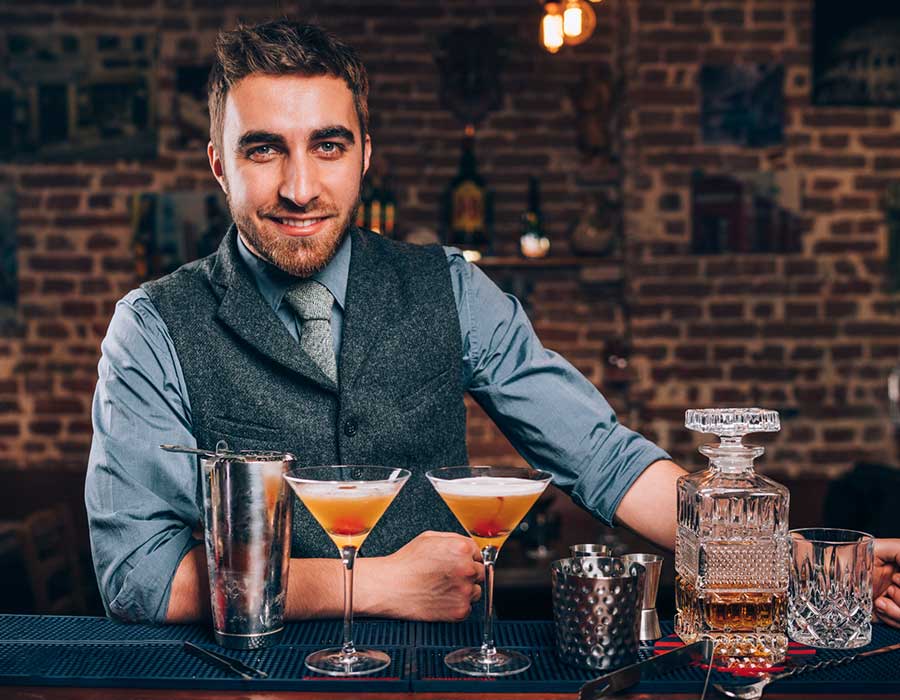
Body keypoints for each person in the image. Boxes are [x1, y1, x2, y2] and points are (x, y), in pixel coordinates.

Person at [84, 19, 900, 629]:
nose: (300, 187)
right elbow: (137, 579)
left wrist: (790, 563)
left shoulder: (450, 288)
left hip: (442, 682)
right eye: (265, 151)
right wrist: (369, 584)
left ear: (366, 154)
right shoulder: (152, 328)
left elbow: (604, 461)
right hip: (240, 686)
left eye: (327, 146)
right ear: (220, 164)